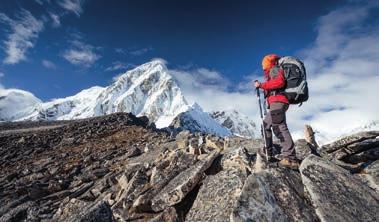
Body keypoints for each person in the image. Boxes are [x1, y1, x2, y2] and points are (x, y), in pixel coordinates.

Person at [253, 54, 299, 169]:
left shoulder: (274, 69)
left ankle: (290, 158)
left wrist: (262, 85)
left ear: (268, 63)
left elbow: (279, 82)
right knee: (266, 125)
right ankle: (269, 153)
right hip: (276, 103)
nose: (263, 67)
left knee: (279, 127)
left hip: (278, 102)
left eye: (264, 64)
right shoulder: (272, 71)